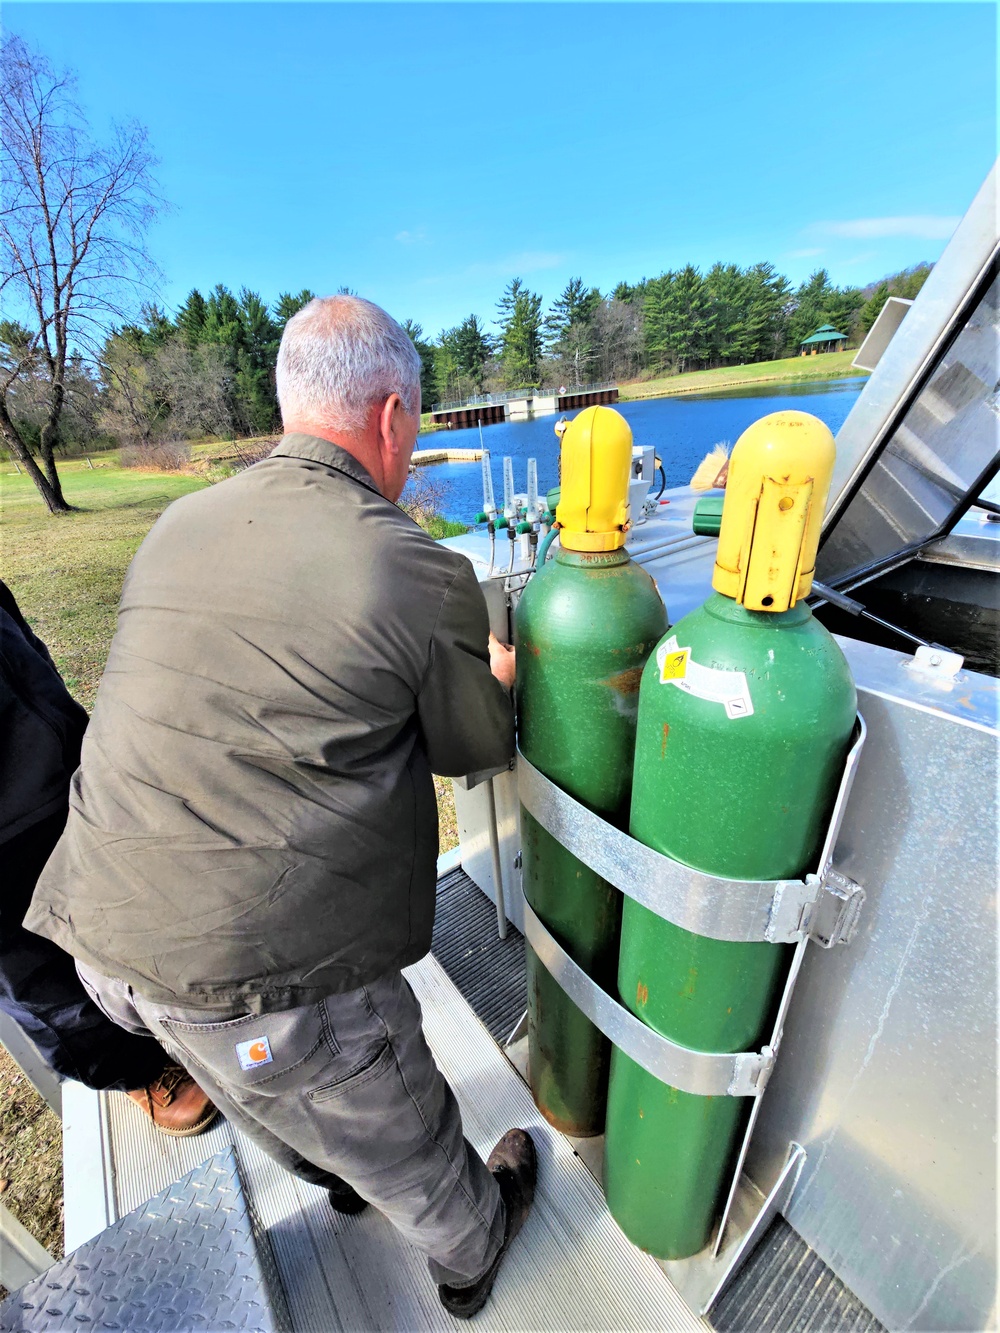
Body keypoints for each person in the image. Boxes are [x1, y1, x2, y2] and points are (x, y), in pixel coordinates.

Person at [27, 295, 536, 1319]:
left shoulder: (182, 523)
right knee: (386, 1099)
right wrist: (496, 669)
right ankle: (471, 1246)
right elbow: (473, 748)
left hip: (98, 933)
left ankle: (336, 1177)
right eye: (419, 424)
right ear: (392, 414)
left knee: (241, 1078)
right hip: (244, 964)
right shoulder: (412, 563)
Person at [0, 579, 217, 1136]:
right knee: (35, 970)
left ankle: (186, 1015)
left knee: (133, 896)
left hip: (62, 764)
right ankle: (136, 1072)